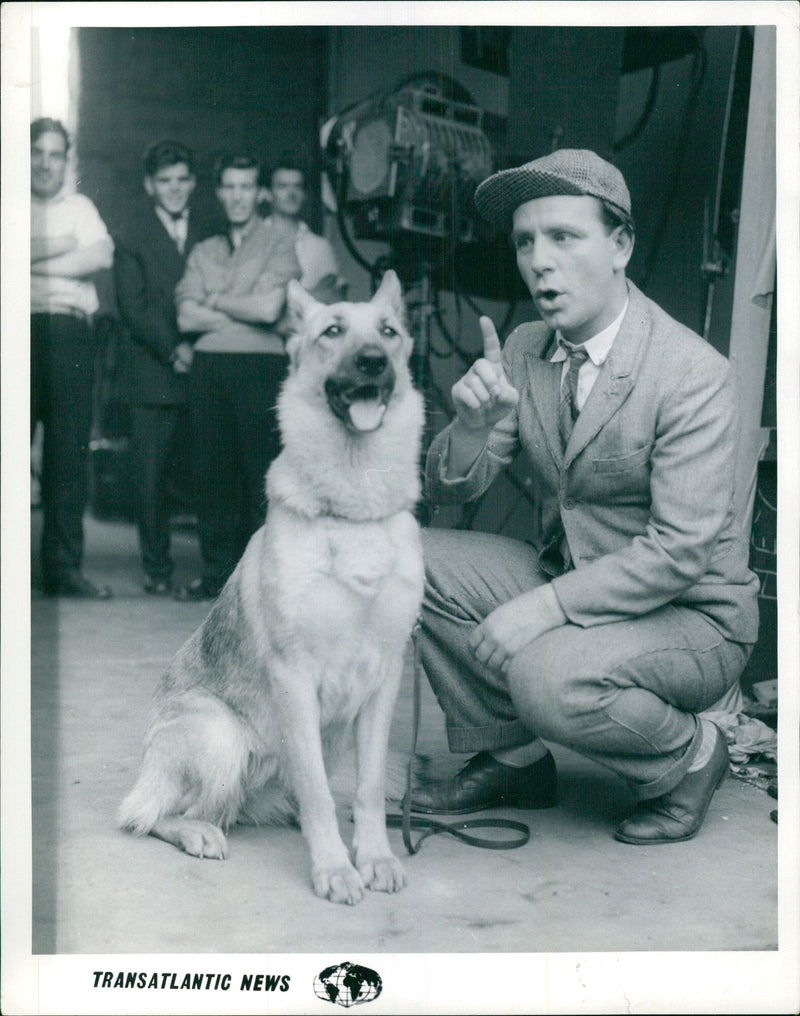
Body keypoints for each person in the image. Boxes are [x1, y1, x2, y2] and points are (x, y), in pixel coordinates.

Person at [409, 149, 760, 845]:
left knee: (544, 674)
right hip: (576, 579)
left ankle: (686, 757)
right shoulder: (526, 345)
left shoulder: (691, 373)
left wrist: (542, 609)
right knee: (408, 559)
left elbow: (680, 552)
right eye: (526, 241)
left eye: (564, 237)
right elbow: (448, 489)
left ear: (621, 244)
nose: (540, 261)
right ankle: (513, 757)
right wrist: (471, 429)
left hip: (690, 618)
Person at [172, 153, 302, 601]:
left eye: (246, 186)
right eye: (229, 186)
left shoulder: (279, 243)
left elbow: (270, 309)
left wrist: (216, 299)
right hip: (208, 371)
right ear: (219, 192)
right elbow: (186, 317)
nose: (238, 196)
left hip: (260, 368)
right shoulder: (203, 250)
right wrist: (241, 305)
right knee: (213, 476)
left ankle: (260, 584)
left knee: (258, 475)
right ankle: (216, 578)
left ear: (260, 193)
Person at [113, 140, 211, 595]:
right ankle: (157, 568)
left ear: (192, 183)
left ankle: (215, 568)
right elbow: (133, 308)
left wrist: (199, 347)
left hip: (204, 366)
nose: (174, 189)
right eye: (164, 181)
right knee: (149, 477)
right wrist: (176, 349)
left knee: (207, 472)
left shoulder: (211, 231)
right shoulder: (131, 233)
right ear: (150, 185)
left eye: (181, 180)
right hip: (153, 373)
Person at [30, 117, 115, 598]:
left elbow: (100, 257)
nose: (45, 162)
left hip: (68, 334)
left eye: (55, 154)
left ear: (67, 160)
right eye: (37, 152)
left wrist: (25, 256)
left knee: (67, 453)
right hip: (14, 327)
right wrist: (63, 247)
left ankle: (62, 570)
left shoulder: (80, 207)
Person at [262, 159, 345, 303]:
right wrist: (312, 294)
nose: (291, 193)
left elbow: (335, 299)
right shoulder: (252, 238)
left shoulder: (320, 246)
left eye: (297, 186)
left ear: (304, 194)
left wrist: (282, 300)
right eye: (282, 186)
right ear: (268, 193)